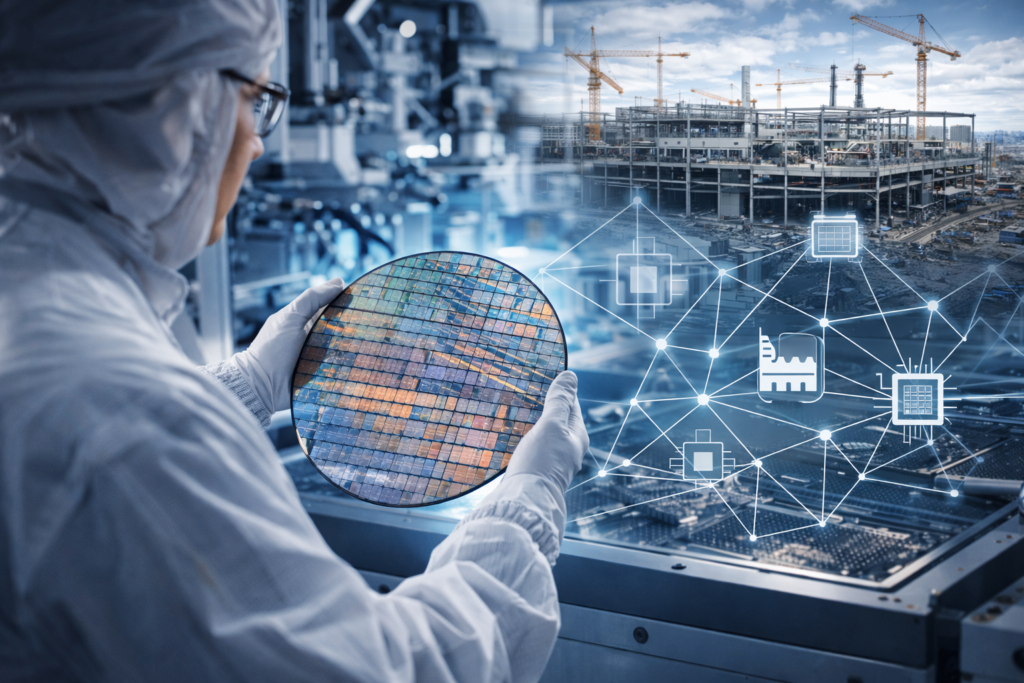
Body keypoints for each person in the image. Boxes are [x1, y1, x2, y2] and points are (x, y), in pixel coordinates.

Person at [0, 1, 588, 681]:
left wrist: (246, 384)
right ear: (179, 103)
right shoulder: (130, 419)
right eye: (255, 99)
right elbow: (396, 670)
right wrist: (528, 501)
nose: (256, 141)